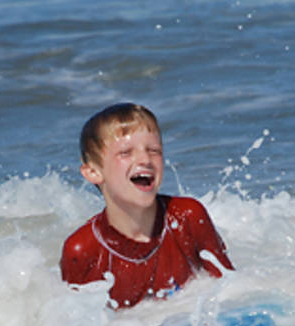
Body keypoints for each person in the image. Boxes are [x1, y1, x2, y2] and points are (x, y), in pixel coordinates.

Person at [60, 102, 234, 308]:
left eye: (154, 150)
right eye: (125, 153)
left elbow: (232, 291)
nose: (145, 159)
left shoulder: (187, 217)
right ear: (93, 172)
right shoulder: (82, 251)